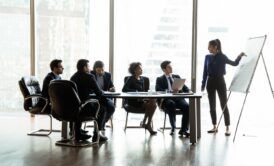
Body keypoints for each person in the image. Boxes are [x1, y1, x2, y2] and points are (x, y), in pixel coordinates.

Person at [201, 39, 245, 136]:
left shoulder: (222, 57)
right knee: (212, 106)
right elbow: (204, 72)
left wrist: (239, 56)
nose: (208, 48)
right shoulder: (207, 57)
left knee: (223, 104)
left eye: (210, 46)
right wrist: (203, 85)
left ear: (215, 47)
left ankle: (227, 127)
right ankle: (214, 126)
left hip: (220, 81)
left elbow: (234, 63)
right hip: (210, 82)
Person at [70, 59, 108, 142]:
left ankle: (77, 133)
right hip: (84, 107)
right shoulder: (89, 76)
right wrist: (103, 92)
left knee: (79, 108)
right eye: (88, 66)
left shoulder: (73, 77)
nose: (90, 68)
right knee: (103, 109)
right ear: (84, 67)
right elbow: (98, 93)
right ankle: (97, 134)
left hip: (72, 107)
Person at [155, 60, 190, 137]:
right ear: (164, 69)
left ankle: (183, 130)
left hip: (178, 98)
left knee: (187, 107)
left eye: (171, 66)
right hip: (167, 100)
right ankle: (173, 127)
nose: (171, 68)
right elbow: (158, 90)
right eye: (169, 67)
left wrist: (188, 91)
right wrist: (170, 91)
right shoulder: (160, 79)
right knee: (171, 104)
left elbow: (185, 87)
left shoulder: (176, 77)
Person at [122, 62, 157, 135]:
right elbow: (124, 89)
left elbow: (144, 91)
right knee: (151, 105)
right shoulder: (130, 79)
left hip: (141, 100)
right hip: (133, 101)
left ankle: (145, 123)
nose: (141, 70)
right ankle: (146, 124)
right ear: (135, 70)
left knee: (153, 103)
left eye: (141, 68)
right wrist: (135, 91)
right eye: (139, 69)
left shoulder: (143, 79)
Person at [91, 60, 115, 130]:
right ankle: (99, 127)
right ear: (95, 70)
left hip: (104, 97)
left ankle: (101, 123)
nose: (101, 72)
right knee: (102, 108)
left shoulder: (108, 75)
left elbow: (111, 86)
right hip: (94, 97)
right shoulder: (91, 75)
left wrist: (112, 88)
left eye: (102, 70)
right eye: (99, 70)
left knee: (111, 107)